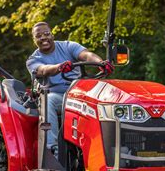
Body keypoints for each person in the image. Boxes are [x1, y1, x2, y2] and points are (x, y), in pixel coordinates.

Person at [26, 22, 114, 154]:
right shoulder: (33, 59)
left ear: (52, 34)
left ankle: (110, 148)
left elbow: (86, 55)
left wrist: (100, 63)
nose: (43, 38)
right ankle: (52, 151)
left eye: (46, 34)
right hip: (58, 96)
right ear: (34, 40)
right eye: (39, 36)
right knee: (48, 101)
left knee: (107, 99)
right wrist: (59, 67)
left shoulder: (68, 46)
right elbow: (43, 70)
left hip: (80, 92)